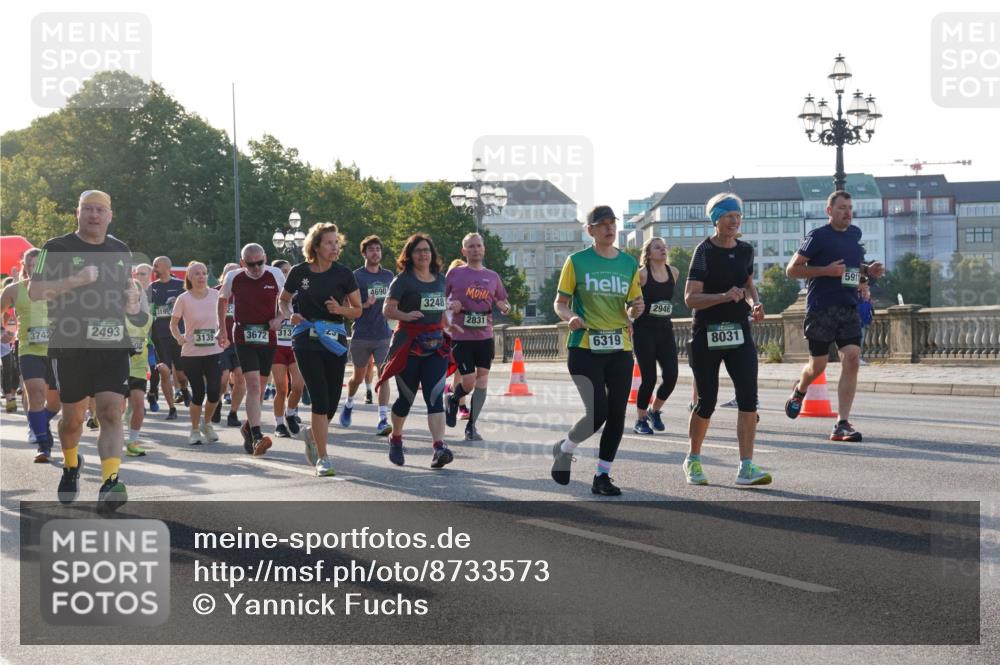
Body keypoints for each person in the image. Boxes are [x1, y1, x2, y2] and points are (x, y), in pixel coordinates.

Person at [29, 190, 138, 510]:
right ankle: (71, 464)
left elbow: (127, 289)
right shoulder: (54, 248)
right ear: (77, 213)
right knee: (72, 419)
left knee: (110, 411)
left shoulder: (120, 250)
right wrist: (75, 280)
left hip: (112, 341)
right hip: (71, 343)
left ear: (109, 216)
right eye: (88, 209)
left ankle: (110, 482)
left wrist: (132, 301)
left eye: (100, 210)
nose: (94, 215)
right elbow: (35, 291)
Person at [549, 206, 644, 496]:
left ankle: (602, 476)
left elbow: (633, 304)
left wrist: (636, 309)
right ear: (590, 230)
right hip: (585, 347)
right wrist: (570, 317)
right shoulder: (577, 262)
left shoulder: (628, 263)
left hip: (620, 348)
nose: (609, 228)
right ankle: (565, 449)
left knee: (617, 414)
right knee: (598, 413)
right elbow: (560, 303)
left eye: (612, 223)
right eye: (602, 224)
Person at [681, 193, 770, 487]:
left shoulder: (745, 250)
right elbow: (690, 298)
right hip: (706, 333)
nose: (735, 221)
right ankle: (693, 459)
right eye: (729, 216)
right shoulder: (704, 251)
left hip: (738, 332)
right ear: (716, 219)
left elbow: (748, 285)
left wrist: (755, 304)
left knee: (749, 398)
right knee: (707, 400)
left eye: (738, 216)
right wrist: (722, 296)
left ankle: (746, 466)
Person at [783, 190, 885, 441]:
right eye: (842, 208)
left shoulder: (855, 234)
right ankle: (800, 390)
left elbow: (851, 270)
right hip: (821, 308)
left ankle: (842, 423)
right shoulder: (818, 236)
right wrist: (826, 271)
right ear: (829, 211)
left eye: (850, 208)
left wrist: (868, 271)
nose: (847, 212)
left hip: (848, 307)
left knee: (852, 358)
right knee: (817, 366)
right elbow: (792, 270)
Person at [279, 223, 362, 477]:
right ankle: (323, 458)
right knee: (320, 397)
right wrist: (290, 314)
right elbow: (283, 300)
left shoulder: (344, 274)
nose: (335, 247)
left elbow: (358, 310)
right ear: (315, 246)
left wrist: (340, 310)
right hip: (306, 338)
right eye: (329, 243)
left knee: (332, 401)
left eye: (337, 242)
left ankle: (312, 434)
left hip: (335, 338)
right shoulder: (299, 272)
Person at [378, 233, 455, 469]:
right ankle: (396, 438)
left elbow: (440, 310)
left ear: (432, 254)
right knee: (406, 399)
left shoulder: (440, 279)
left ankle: (439, 447)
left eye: (427, 250)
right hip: (409, 346)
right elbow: (387, 309)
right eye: (418, 250)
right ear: (410, 255)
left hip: (435, 347)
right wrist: (405, 315)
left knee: (435, 397)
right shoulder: (403, 280)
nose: (423, 254)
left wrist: (448, 323)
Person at [218, 244, 285, 456]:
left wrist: (280, 317)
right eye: (250, 264)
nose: (256, 268)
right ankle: (257, 436)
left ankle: (247, 427)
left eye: (260, 263)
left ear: (266, 258)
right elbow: (222, 299)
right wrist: (222, 329)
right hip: (243, 336)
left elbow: (286, 301)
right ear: (242, 263)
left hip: (268, 335)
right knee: (253, 386)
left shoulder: (275, 275)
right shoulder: (234, 277)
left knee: (261, 390)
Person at [445, 233, 511, 441]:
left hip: (485, 336)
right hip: (461, 336)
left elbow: (505, 302)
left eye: (478, 246)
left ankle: (471, 426)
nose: (475, 250)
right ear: (464, 251)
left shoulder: (492, 276)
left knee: (482, 379)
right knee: (469, 382)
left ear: (484, 249)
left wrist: (504, 307)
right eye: (471, 246)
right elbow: (439, 298)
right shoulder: (455, 274)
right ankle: (454, 398)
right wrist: (450, 304)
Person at [1, 249, 62, 461]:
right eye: (30, 264)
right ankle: (44, 446)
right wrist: (2, 332)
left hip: (56, 351)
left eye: (39, 264)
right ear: (24, 266)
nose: (34, 268)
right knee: (35, 395)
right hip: (29, 349)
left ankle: (40, 423)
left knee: (56, 403)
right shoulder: (13, 290)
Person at [341, 235, 394, 436]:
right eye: (371, 249)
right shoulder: (356, 276)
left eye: (378, 249)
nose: (375, 253)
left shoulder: (389, 276)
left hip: (383, 334)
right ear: (364, 253)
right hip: (362, 334)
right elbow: (346, 306)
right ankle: (349, 403)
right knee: (357, 377)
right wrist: (365, 304)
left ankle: (382, 418)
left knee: (384, 374)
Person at [170, 261, 225, 445]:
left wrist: (225, 334)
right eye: (197, 273)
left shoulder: (216, 295)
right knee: (199, 393)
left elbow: (224, 319)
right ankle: (194, 430)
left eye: (203, 273)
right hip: (191, 353)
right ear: (189, 277)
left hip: (214, 350)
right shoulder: (184, 299)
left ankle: (206, 424)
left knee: (215, 392)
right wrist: (179, 337)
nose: (201, 276)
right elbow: (173, 324)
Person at [631, 236, 680, 435]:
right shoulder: (641, 275)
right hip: (644, 332)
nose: (663, 249)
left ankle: (654, 411)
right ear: (649, 254)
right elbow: (628, 302)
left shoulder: (674, 272)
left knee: (671, 376)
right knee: (649, 378)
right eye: (657, 247)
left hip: (665, 331)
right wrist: (630, 314)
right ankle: (641, 419)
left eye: (664, 247)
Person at [148, 256, 189, 419]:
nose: (154, 269)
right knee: (164, 371)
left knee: (181, 374)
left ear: (166, 267)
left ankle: (184, 389)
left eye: (156, 265)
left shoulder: (180, 285)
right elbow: (148, 312)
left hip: (177, 335)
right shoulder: (152, 287)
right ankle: (172, 408)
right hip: (159, 337)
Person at [269, 259, 304, 438]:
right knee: (282, 388)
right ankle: (279, 424)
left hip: (296, 346)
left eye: (289, 271)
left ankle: (290, 414)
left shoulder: (299, 293)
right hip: (278, 347)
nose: (287, 274)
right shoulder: (271, 295)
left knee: (298, 385)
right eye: (284, 271)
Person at [124, 271, 153, 457]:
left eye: (136, 289)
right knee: (115, 407)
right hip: (119, 367)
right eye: (128, 289)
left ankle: (132, 441)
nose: (132, 292)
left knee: (139, 405)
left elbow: (150, 342)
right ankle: (111, 434)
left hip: (139, 367)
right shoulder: (117, 316)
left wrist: (155, 361)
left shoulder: (148, 318)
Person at [215, 263, 245, 427]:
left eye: (236, 273)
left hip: (239, 341)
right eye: (229, 273)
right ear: (223, 276)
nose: (233, 276)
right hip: (221, 342)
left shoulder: (245, 292)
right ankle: (217, 402)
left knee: (241, 378)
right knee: (223, 378)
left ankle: (233, 413)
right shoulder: (215, 292)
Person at [857, 282, 874, 365]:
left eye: (867, 291)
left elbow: (870, 313)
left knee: (861, 340)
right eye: (865, 291)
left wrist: (870, 321)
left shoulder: (868, 302)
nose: (867, 293)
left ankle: (857, 358)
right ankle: (856, 359)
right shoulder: (858, 300)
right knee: (858, 341)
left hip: (863, 324)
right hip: (858, 324)